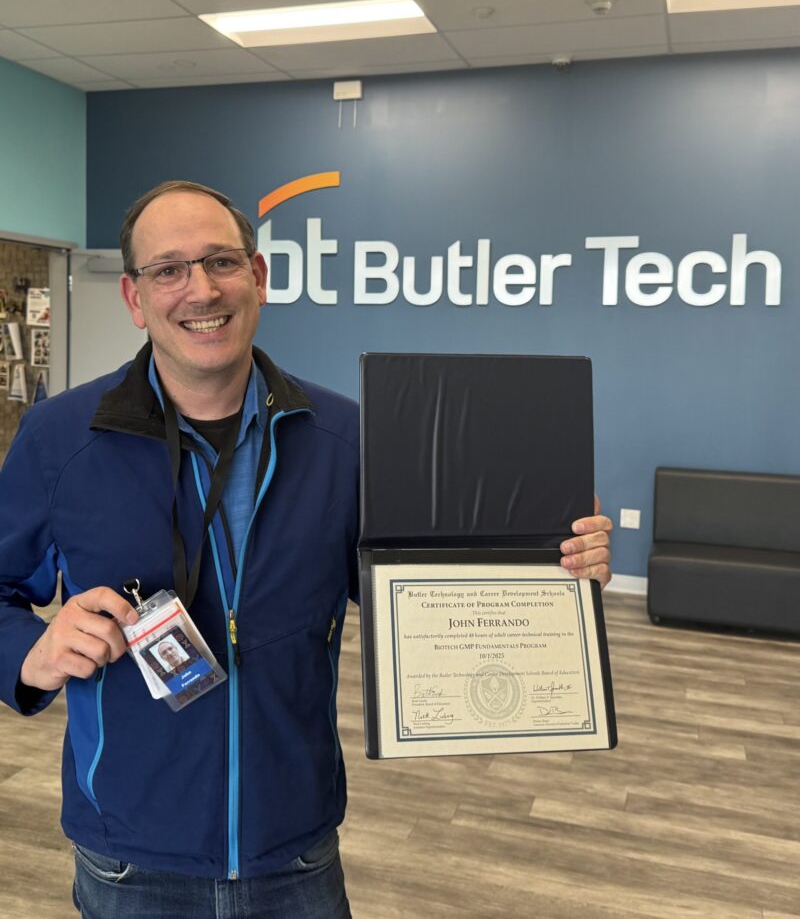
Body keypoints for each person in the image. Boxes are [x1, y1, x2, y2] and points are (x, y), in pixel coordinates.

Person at [0, 180, 612, 918]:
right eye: (168, 269)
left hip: (293, 849)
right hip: (131, 856)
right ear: (135, 298)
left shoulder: (348, 437)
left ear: (257, 278)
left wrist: (553, 568)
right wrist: (30, 656)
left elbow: (416, 586)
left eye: (221, 261)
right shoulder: (61, 440)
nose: (199, 288)